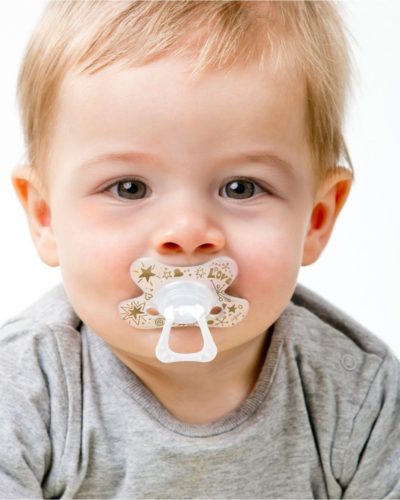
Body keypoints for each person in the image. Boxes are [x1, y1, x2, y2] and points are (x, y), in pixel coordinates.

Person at [1, 0, 399, 497]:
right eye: (129, 188)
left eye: (241, 188)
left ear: (316, 218)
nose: (188, 232)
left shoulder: (360, 394)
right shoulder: (21, 390)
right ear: (45, 217)